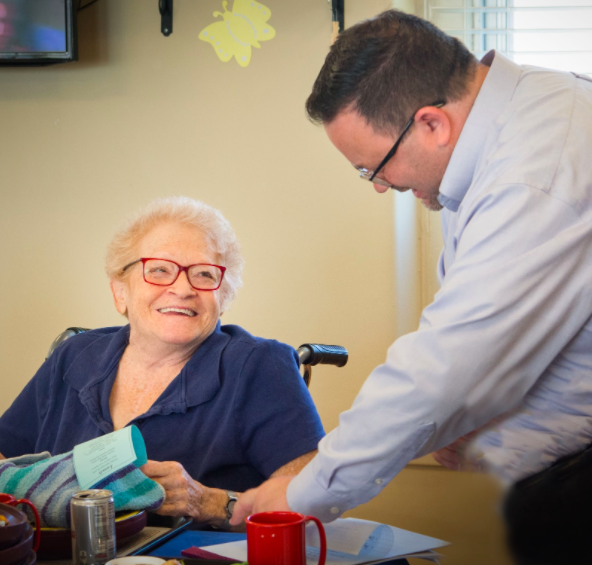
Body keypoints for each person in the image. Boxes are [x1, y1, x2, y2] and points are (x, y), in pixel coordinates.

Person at [230, 7, 592, 549]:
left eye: (372, 168)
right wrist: (473, 421)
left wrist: (303, 494)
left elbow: (447, 365)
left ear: (430, 123)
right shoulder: (522, 115)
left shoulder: (534, 175)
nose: (378, 186)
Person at [0, 196, 325, 529]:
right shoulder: (74, 356)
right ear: (119, 292)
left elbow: (313, 501)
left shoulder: (258, 366)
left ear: (223, 296)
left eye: (203, 274)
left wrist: (208, 501)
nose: (182, 288)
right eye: (159, 270)